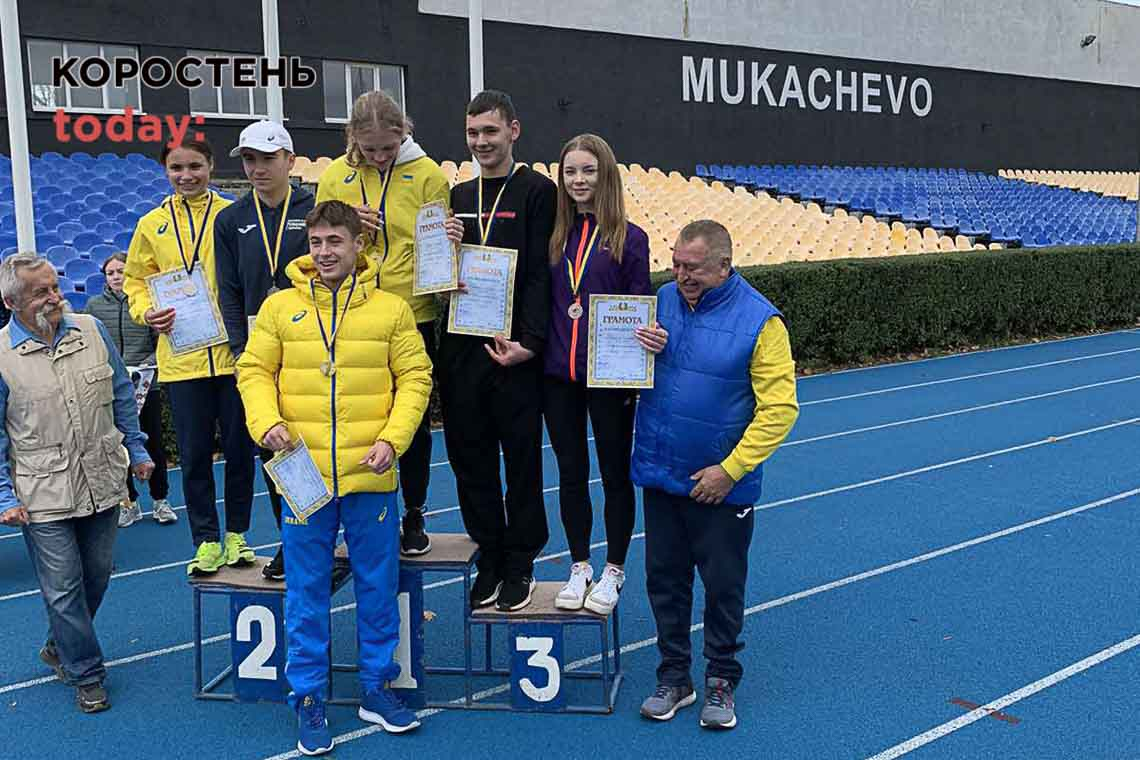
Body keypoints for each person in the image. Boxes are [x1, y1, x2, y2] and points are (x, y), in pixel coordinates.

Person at [236, 200, 432, 754]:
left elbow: (416, 376)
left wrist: (393, 440)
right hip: (304, 473)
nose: (324, 252)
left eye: (335, 242)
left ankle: (376, 686)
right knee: (306, 588)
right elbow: (253, 370)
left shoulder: (392, 311)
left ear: (357, 245)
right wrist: (267, 422)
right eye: (316, 242)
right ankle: (309, 695)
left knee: (376, 583)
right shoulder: (279, 308)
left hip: (370, 473)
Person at [631, 220, 799, 730]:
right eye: (677, 264)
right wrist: (639, 349)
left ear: (724, 265)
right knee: (664, 582)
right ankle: (674, 677)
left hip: (722, 487)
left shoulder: (762, 321)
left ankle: (722, 679)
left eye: (693, 267)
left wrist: (729, 471)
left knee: (723, 587)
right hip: (662, 474)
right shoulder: (658, 302)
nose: (681, 275)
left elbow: (780, 410)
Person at [0, 253, 154, 713]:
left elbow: (122, 395)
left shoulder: (90, 329)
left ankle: (59, 644)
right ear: (11, 302)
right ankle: (86, 672)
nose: (55, 297)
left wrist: (140, 450)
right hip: (41, 491)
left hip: (103, 477)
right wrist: (3, 495)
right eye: (41, 292)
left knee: (97, 576)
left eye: (54, 286)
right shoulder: (1, 357)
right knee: (63, 586)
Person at [315, 91, 451, 557]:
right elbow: (321, 243)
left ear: (404, 133)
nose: (377, 156)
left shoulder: (428, 174)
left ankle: (413, 511)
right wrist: (352, 227)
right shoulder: (335, 175)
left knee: (408, 419)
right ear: (351, 137)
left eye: (387, 148)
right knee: (356, 415)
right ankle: (359, 515)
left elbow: (438, 248)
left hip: (410, 310)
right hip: (349, 312)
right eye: (368, 148)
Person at [442, 90, 556, 611]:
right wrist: (443, 249)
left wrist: (529, 344)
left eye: (490, 131)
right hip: (465, 347)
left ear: (513, 130)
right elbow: (444, 276)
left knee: (522, 460)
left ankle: (521, 559)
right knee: (471, 459)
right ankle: (488, 554)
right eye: (472, 134)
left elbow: (539, 273)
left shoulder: (538, 191)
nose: (481, 142)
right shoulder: (459, 197)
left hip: (514, 351)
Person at [123, 137, 258, 577]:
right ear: (165, 170)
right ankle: (204, 541)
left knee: (241, 450)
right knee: (195, 456)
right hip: (182, 358)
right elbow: (135, 281)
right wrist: (147, 311)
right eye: (177, 168)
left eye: (195, 166)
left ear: (211, 165)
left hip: (234, 355)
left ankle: (237, 533)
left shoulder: (233, 214)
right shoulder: (151, 224)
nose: (186, 176)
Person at [543, 134, 661, 615]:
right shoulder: (552, 235)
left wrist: (650, 335)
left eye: (587, 170)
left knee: (614, 474)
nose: (578, 180)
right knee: (570, 473)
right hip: (557, 375)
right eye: (570, 171)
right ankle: (578, 565)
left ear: (605, 174)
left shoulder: (630, 239)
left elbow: (638, 305)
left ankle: (613, 568)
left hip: (609, 378)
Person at [215, 120, 316, 581]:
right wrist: (241, 351)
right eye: (249, 160)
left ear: (290, 162)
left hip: (313, 346)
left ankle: (327, 536)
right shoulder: (230, 219)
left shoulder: (315, 209)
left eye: (267, 158)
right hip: (261, 354)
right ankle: (292, 538)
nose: (257, 168)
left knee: (320, 442)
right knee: (274, 447)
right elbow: (229, 293)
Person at [84, 252, 176, 528]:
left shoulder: (144, 304)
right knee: (117, 446)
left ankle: (161, 501)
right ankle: (129, 502)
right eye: (110, 273)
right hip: (109, 386)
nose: (115, 277)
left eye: (120, 271)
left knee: (152, 444)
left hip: (146, 384)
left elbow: (159, 342)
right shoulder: (94, 306)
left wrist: (145, 367)